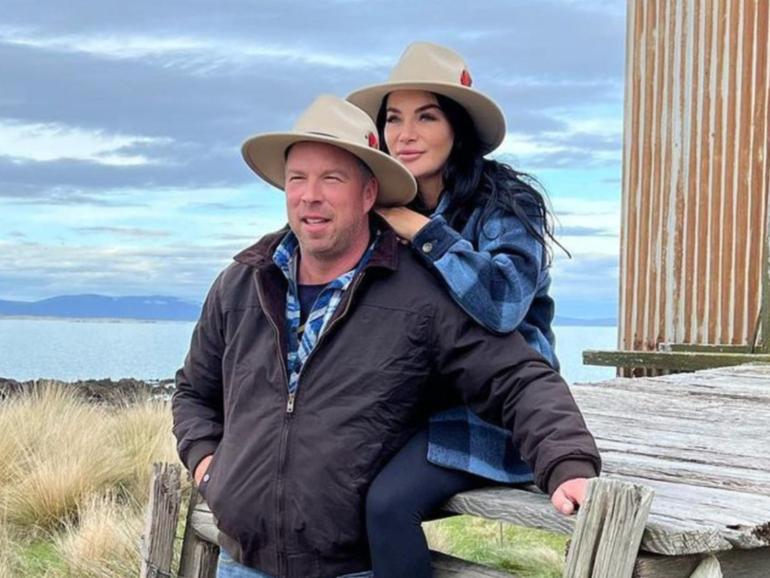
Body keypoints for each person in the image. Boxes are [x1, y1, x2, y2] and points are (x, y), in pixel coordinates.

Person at [172, 94, 600, 578]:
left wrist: (567, 462)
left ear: (370, 194)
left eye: (332, 178)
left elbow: (517, 375)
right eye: (298, 179)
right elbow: (193, 390)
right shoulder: (242, 283)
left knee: (391, 501)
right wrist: (208, 464)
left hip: (347, 561)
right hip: (242, 561)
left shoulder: (423, 287)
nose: (310, 195)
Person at [347, 42, 570, 577]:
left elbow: (503, 304)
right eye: (394, 118)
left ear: (458, 127)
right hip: (412, 401)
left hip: (493, 409)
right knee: (330, 477)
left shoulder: (505, 204)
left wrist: (423, 233)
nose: (406, 134)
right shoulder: (378, 211)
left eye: (426, 116)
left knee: (387, 504)